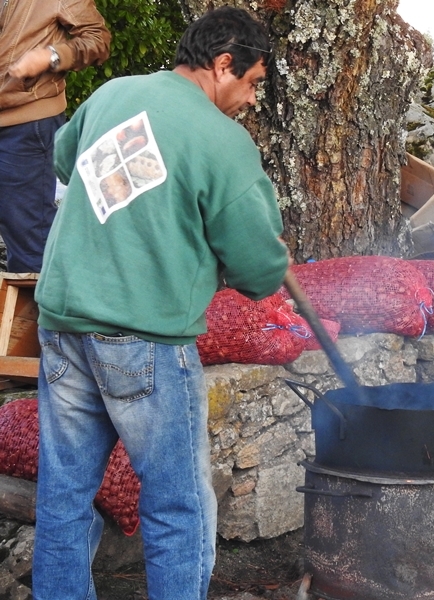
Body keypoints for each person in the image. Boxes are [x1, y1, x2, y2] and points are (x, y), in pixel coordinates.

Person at [31, 6, 290, 599]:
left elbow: (65, 160)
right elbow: (256, 271)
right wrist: (272, 257)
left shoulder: (113, 94)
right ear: (224, 63)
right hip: (141, 338)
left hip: (63, 325)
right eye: (252, 83)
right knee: (177, 504)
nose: (252, 100)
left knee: (64, 496)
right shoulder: (224, 142)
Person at [0, 0, 111, 273]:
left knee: (30, 242)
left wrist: (51, 55)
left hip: (27, 123)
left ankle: (46, 314)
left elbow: (99, 40)